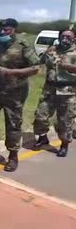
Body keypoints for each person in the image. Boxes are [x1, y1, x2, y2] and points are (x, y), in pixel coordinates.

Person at [0, 18, 40, 172]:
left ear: (14, 30)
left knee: (13, 123)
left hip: (16, 91)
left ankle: (13, 156)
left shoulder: (23, 45)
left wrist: (11, 72)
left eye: (6, 29)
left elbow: (35, 68)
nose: (2, 32)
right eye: (1, 29)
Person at [33, 28, 76, 157]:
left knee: (64, 121)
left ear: (74, 39)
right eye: (63, 36)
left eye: (69, 37)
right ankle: (42, 138)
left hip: (68, 91)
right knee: (40, 116)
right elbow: (37, 62)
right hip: (49, 90)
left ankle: (64, 144)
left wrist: (71, 67)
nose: (65, 39)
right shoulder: (51, 50)